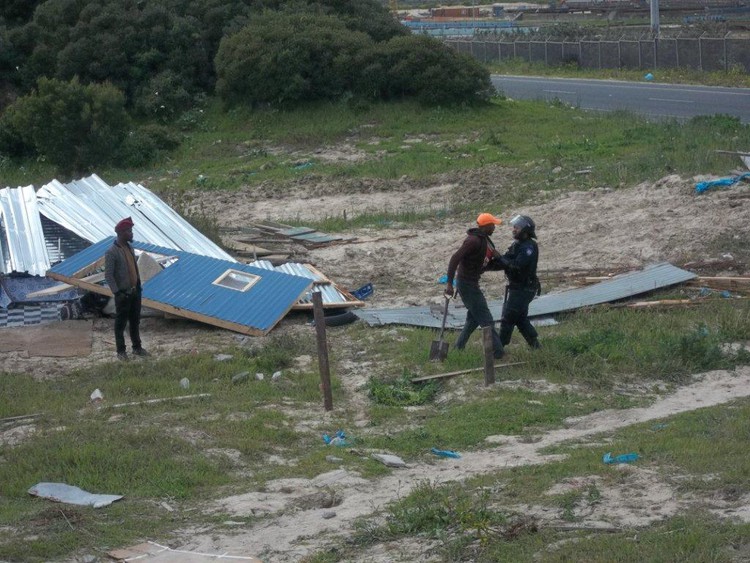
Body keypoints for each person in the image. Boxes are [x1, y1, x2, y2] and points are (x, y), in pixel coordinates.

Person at [445, 212, 505, 359]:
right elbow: (455, 258)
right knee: (486, 319)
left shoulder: (486, 241)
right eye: (493, 225)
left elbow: (484, 264)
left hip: (472, 283)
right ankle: (497, 353)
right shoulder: (473, 241)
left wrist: (502, 262)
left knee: (473, 319)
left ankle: (458, 348)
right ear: (487, 226)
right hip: (466, 285)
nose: (495, 228)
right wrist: (449, 283)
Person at [104, 217, 149, 360]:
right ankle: (121, 351)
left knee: (135, 321)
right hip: (123, 294)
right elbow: (109, 275)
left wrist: (138, 286)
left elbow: (134, 269)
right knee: (120, 324)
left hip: (135, 292)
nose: (131, 234)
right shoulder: (111, 252)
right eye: (129, 231)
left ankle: (137, 347)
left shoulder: (130, 248)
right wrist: (117, 292)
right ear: (121, 233)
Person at [496, 214, 541, 349]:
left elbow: (516, 265)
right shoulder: (517, 244)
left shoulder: (529, 247)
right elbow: (505, 258)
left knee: (508, 318)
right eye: (514, 227)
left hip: (524, 289)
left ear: (525, 231)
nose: (514, 229)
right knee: (520, 318)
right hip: (517, 288)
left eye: (517, 227)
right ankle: (535, 346)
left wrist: (501, 259)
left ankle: (498, 350)